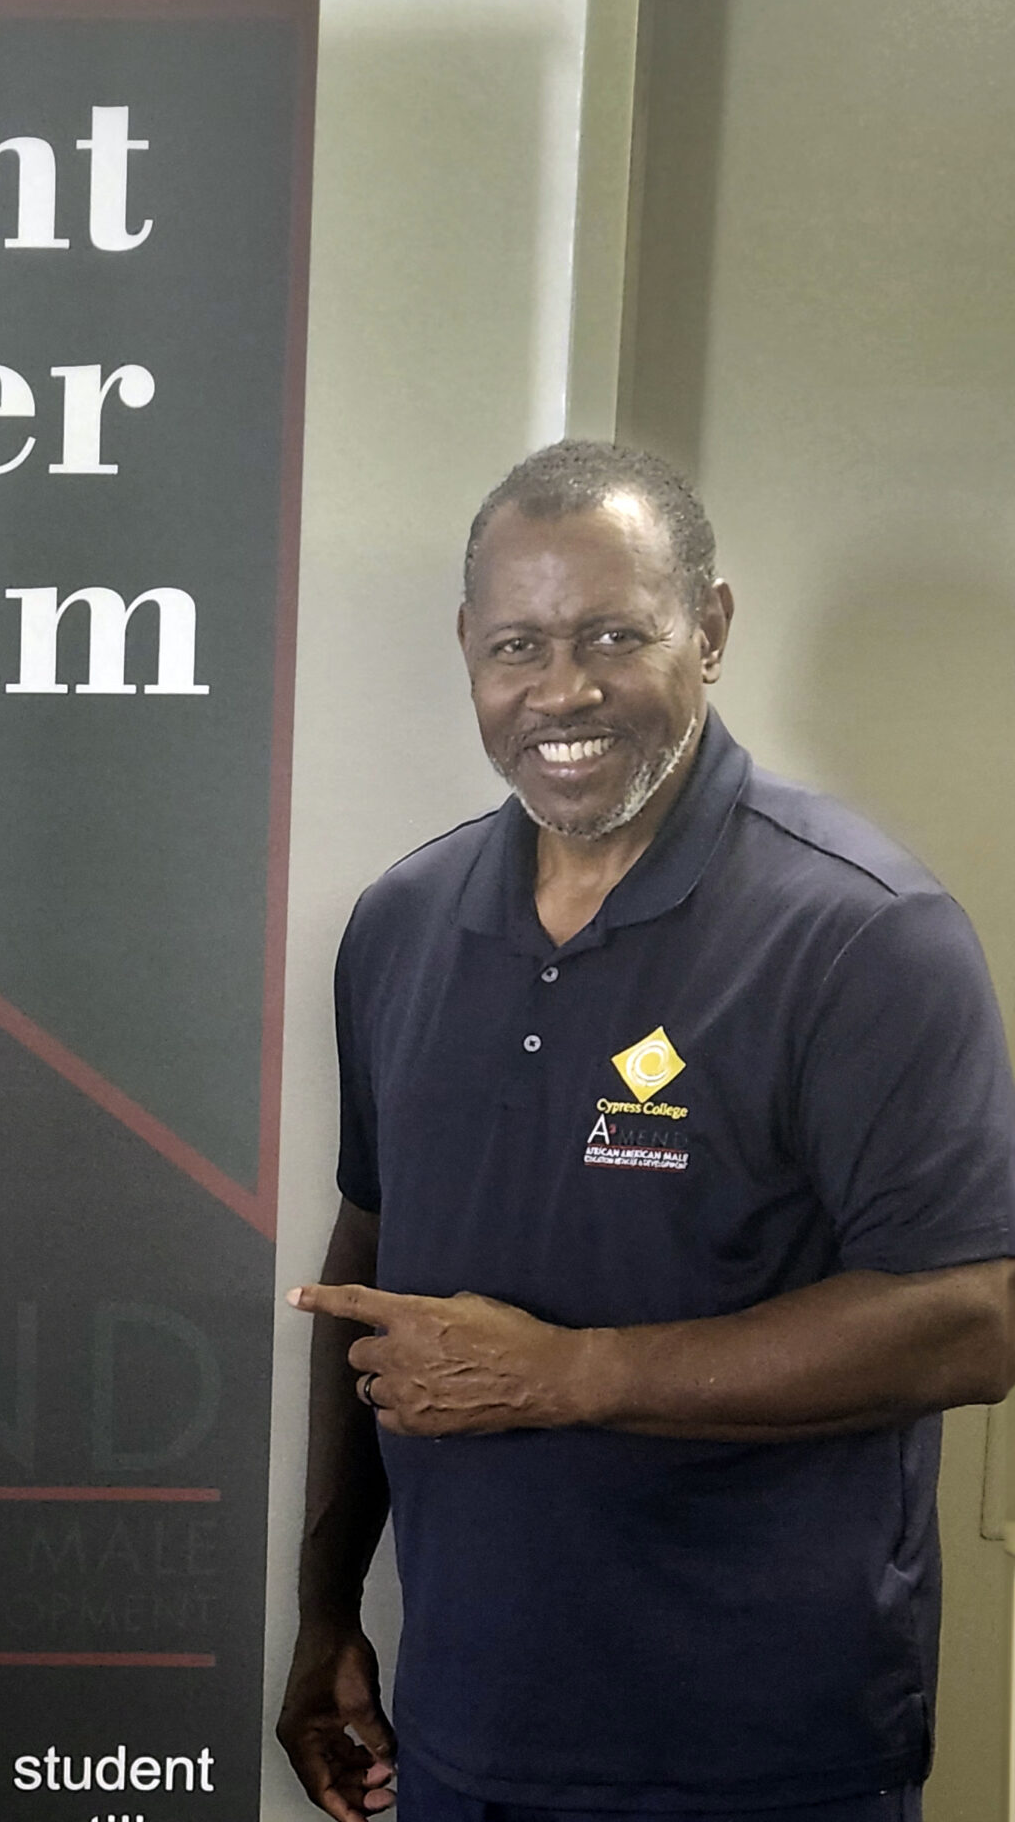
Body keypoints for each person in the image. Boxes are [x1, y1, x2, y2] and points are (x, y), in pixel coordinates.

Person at [277, 441, 1015, 1822]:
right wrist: (327, 1617)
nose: (564, 691)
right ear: (468, 652)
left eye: (616, 635)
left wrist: (572, 1375)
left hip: (761, 1761)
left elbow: (976, 1321)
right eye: (520, 645)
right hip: (462, 1737)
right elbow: (371, 1264)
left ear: (712, 630)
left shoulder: (864, 935)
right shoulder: (404, 923)